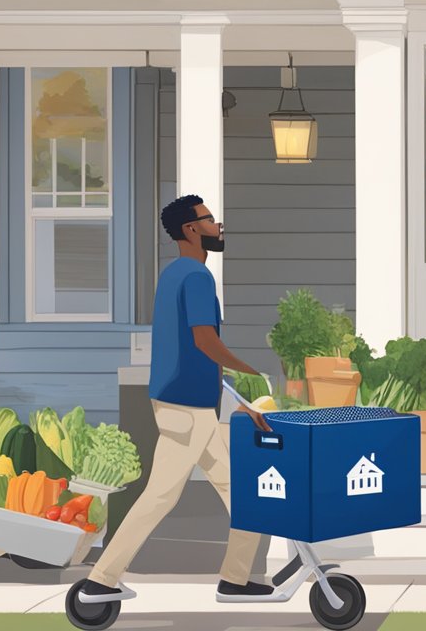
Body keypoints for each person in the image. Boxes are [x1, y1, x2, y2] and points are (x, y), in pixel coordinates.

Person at [79, 194, 276, 604]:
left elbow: (191, 354)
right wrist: (251, 373)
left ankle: (235, 579)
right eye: (209, 219)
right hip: (187, 410)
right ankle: (101, 579)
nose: (217, 226)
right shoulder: (197, 278)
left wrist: (238, 399)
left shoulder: (175, 275)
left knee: (247, 493)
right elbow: (205, 342)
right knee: (159, 497)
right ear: (190, 229)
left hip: (191, 405)